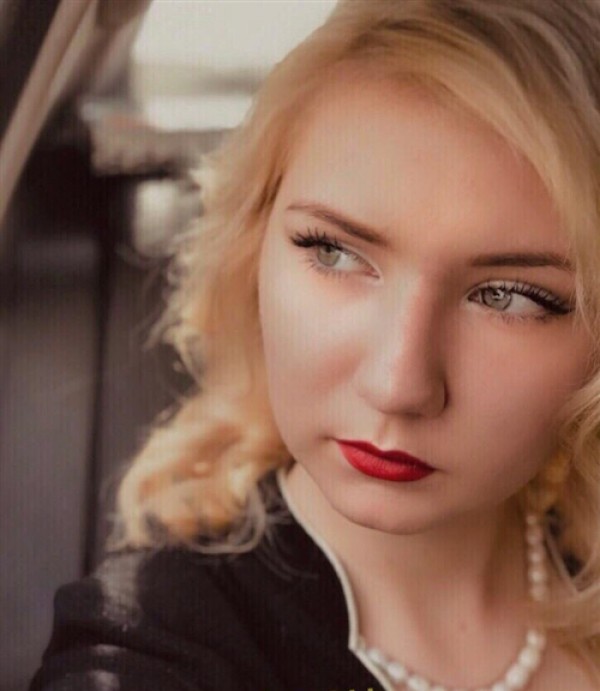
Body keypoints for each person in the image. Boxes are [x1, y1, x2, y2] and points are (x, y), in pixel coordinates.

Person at [29, 1, 600, 689]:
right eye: (335, 252)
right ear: (252, 249)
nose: (397, 384)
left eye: (507, 296)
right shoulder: (151, 645)